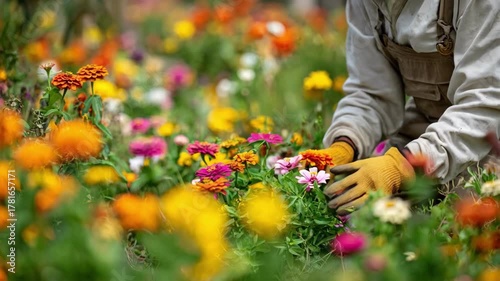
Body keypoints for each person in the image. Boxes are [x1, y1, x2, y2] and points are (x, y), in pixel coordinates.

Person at [321, 0, 500, 215]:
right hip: (429, 130)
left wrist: (402, 166)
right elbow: (370, 93)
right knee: (363, 219)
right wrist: (344, 145)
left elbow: (483, 106)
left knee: (464, 227)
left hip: (489, 140)